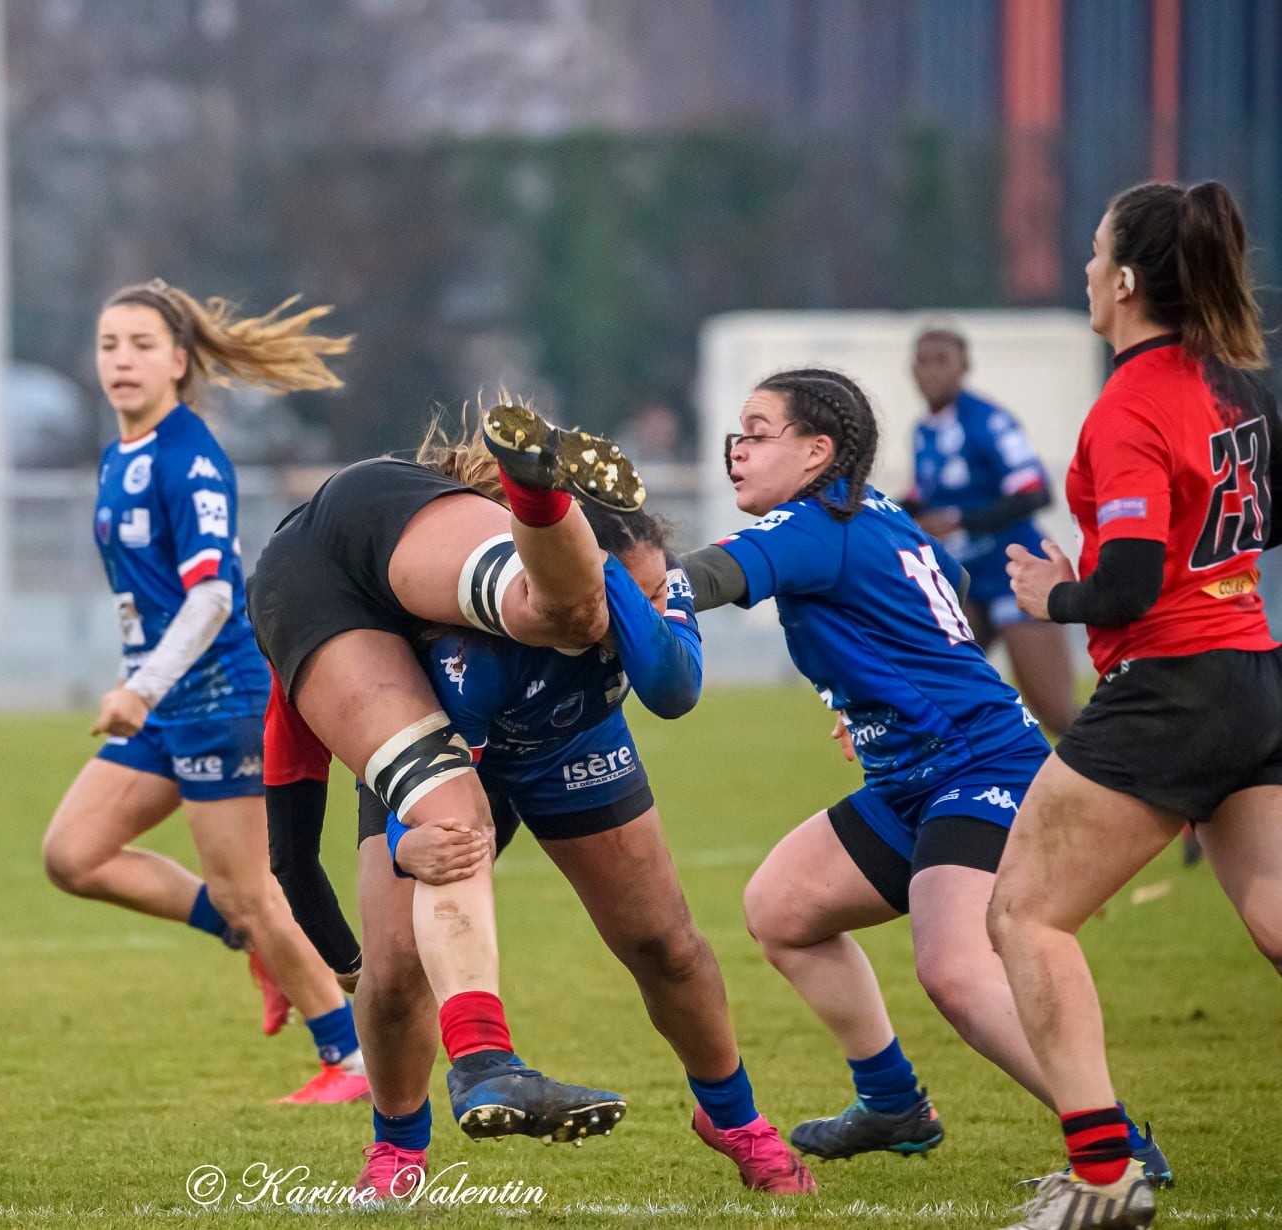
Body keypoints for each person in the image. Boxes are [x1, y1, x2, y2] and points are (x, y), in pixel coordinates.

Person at [676, 368, 1167, 1183]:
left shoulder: (810, 524)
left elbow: (708, 580)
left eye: (757, 433)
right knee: (780, 909)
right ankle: (893, 1101)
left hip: (981, 768)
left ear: (815, 452)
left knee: (957, 972)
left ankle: (1117, 1146)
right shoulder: (872, 515)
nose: (737, 451)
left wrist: (607, 582)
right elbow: (952, 580)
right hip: (917, 775)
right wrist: (873, 693)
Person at [337, 440, 814, 1201]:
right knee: (394, 975)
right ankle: (397, 1150)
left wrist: (626, 589)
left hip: (575, 744)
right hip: (447, 748)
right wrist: (408, 843)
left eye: (661, 590)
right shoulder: (478, 649)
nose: (659, 608)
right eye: (637, 593)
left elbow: (671, 686)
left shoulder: (656, 585)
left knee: (667, 945)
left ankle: (737, 1121)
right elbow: (424, 789)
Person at [989, 180, 1280, 1230]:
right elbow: (1255, 523)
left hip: (1169, 688)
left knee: (1023, 914)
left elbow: (1126, 591)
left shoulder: (1132, 404)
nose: (1081, 268)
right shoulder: (1238, 382)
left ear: (1122, 281)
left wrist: (1051, 593)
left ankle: (1105, 1178)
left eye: (1093, 251)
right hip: (1252, 676)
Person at [250, 402, 647, 1142]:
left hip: (379, 515)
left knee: (557, 622)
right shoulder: (314, 672)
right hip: (330, 552)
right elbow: (291, 855)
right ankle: (474, 1074)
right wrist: (349, 963)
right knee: (440, 833)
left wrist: (347, 962)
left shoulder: (464, 660)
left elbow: (292, 858)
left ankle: (536, 487)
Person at [39, 279, 367, 1104]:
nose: (122, 359)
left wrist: (142, 688)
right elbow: (146, 594)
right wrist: (140, 675)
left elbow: (215, 592)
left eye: (141, 345)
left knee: (255, 888)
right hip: (165, 694)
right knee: (73, 855)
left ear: (179, 363)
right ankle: (247, 935)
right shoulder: (122, 454)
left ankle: (351, 1060)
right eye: (110, 344)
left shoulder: (188, 456)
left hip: (218, 696)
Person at [907, 326, 1079, 735]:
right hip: (968, 579)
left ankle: (1129, 780)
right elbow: (919, 498)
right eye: (921, 361)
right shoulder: (924, 431)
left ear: (963, 367)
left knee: (1055, 712)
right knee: (939, 704)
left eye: (940, 361)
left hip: (1014, 574)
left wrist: (960, 521)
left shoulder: (989, 421)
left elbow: (1034, 493)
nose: (929, 372)